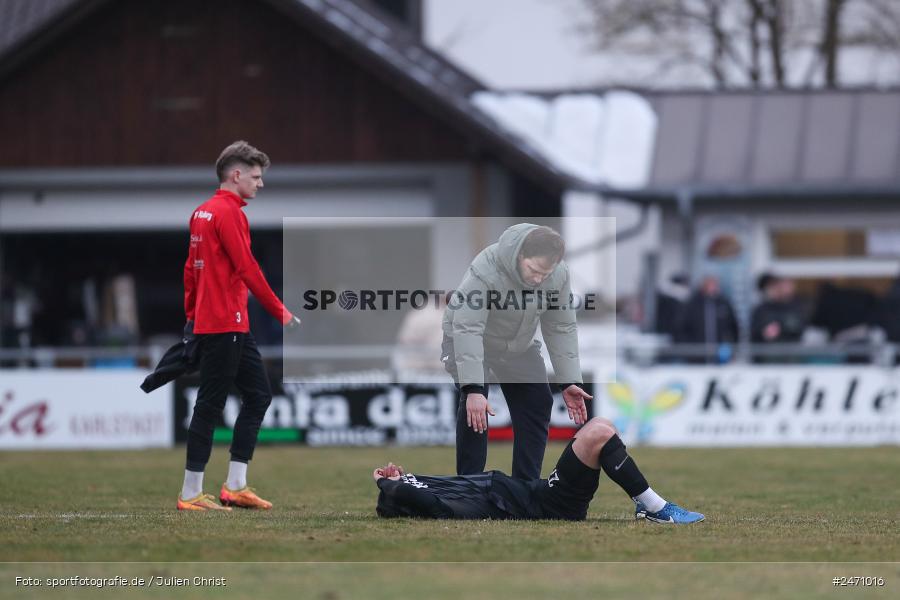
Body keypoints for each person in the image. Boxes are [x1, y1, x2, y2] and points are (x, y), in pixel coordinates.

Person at [176, 141, 301, 512]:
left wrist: (192, 315)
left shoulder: (201, 213)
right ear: (236, 175)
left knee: (259, 395)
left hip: (225, 323)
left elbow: (190, 270)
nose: (260, 183)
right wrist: (281, 312)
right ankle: (190, 494)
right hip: (224, 323)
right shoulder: (229, 213)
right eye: (256, 176)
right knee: (209, 405)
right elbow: (247, 268)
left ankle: (234, 486)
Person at [442, 223, 592, 481]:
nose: (538, 279)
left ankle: (525, 487)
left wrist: (569, 381)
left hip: (517, 345)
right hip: (466, 338)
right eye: (534, 270)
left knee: (538, 402)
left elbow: (561, 327)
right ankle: (470, 486)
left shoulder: (559, 275)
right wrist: (473, 389)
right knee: (475, 409)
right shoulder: (486, 268)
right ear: (520, 255)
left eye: (545, 274)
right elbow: (468, 328)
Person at [373, 417, 704, 524]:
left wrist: (395, 479)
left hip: (544, 492)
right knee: (600, 434)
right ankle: (656, 508)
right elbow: (420, 501)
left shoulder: (424, 488)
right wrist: (386, 486)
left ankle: (645, 505)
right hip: (551, 505)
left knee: (602, 425)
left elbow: (411, 489)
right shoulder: (441, 506)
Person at [675, 275, 739, 363]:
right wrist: (690, 350)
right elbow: (680, 329)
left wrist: (731, 348)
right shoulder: (692, 304)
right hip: (696, 357)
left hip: (720, 357)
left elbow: (734, 328)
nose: (712, 288)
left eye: (715, 285)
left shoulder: (723, 303)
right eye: (710, 285)